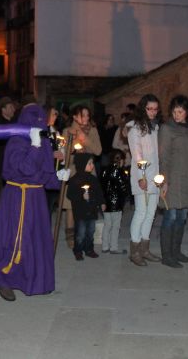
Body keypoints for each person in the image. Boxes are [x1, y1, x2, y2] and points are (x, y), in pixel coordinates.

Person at [0, 104, 70, 302]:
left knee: (34, 237)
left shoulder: (44, 141)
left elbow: (44, 171)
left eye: (42, 120)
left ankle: (32, 278)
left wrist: (58, 176)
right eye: (36, 120)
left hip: (36, 197)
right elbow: (26, 168)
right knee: (14, 236)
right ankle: (3, 277)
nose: (41, 124)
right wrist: (35, 146)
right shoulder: (16, 141)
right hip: (17, 196)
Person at [157, 95, 188, 268]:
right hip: (174, 178)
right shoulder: (167, 129)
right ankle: (167, 255)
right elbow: (164, 157)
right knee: (171, 215)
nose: (176, 115)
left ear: (187, 112)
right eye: (174, 112)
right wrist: (164, 181)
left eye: (180, 112)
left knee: (182, 216)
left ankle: (176, 251)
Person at [127, 94, 162, 266]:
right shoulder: (135, 129)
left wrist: (159, 177)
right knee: (141, 212)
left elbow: (156, 155)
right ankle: (134, 251)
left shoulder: (155, 128)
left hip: (154, 176)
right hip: (142, 176)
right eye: (149, 109)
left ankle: (145, 249)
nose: (153, 112)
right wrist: (141, 177)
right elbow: (137, 155)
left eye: (155, 109)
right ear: (143, 108)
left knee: (151, 214)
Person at [62, 105, 102, 248]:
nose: (85, 118)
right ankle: (70, 236)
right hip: (73, 172)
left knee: (88, 203)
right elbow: (64, 155)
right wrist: (72, 149)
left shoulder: (93, 131)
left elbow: (98, 151)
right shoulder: (67, 132)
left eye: (87, 116)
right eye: (82, 115)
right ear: (74, 116)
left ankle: (86, 236)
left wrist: (85, 139)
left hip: (89, 173)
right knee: (71, 206)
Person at [67, 154, 105, 260]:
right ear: (82, 164)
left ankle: (89, 249)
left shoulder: (93, 179)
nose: (92, 165)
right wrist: (81, 195)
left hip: (92, 210)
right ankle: (78, 250)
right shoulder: (75, 180)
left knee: (91, 231)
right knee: (81, 233)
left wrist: (102, 202)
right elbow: (70, 195)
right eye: (89, 163)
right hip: (80, 212)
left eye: (92, 163)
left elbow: (98, 192)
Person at [100, 149, 130, 254]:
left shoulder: (104, 170)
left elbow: (102, 186)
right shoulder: (120, 172)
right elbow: (123, 187)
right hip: (116, 203)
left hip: (106, 202)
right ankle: (113, 247)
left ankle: (104, 246)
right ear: (120, 160)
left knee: (107, 225)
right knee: (116, 226)